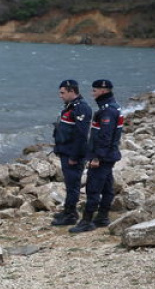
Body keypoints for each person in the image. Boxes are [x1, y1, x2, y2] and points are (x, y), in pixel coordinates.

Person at [70, 79, 123, 233]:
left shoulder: (107, 111)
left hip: (103, 156)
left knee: (93, 188)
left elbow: (105, 137)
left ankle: (86, 220)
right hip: (109, 155)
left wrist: (96, 157)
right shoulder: (112, 107)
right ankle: (102, 217)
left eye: (94, 90)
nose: (92, 93)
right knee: (107, 186)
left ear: (103, 91)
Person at [51, 79, 93, 226]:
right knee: (69, 184)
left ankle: (70, 215)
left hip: (72, 154)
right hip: (65, 151)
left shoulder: (81, 108)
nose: (60, 96)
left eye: (62, 93)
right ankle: (68, 210)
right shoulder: (70, 106)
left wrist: (74, 156)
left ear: (71, 91)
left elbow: (82, 135)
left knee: (73, 185)